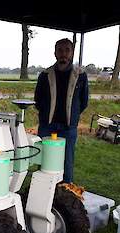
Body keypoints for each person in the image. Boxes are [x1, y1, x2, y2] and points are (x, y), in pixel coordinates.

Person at [34, 38, 89, 183]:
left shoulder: (81, 76)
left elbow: (84, 102)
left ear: (72, 53)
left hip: (68, 127)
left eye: (67, 50)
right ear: (55, 53)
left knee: (67, 161)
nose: (63, 54)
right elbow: (38, 100)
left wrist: (73, 115)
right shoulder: (45, 75)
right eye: (60, 50)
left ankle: (66, 191)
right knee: (44, 160)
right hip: (47, 125)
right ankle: (43, 189)